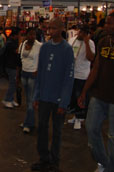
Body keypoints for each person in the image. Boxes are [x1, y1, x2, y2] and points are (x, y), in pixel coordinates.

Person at [78, 11, 114, 172]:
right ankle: (104, 162)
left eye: (110, 23)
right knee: (91, 129)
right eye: (106, 23)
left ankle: (112, 169)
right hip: (99, 95)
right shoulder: (103, 42)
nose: (106, 26)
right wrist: (84, 91)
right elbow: (96, 68)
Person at [31, 18, 74, 172]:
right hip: (44, 97)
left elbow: (68, 78)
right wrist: (36, 96)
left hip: (58, 99)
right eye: (48, 28)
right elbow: (40, 73)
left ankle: (54, 162)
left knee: (57, 131)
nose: (50, 31)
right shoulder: (45, 47)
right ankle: (43, 158)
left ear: (62, 29)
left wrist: (64, 102)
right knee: (42, 128)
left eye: (53, 28)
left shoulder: (67, 49)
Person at [67, 25, 95, 130]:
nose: (80, 34)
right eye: (80, 31)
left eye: (84, 32)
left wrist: (87, 42)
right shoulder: (72, 40)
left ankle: (80, 118)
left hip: (82, 75)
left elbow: (91, 58)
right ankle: (76, 115)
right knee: (73, 97)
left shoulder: (90, 43)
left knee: (80, 97)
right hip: (71, 74)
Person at [18, 28, 42, 134]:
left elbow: (42, 60)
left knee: (31, 101)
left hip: (33, 74)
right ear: (26, 35)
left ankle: (28, 124)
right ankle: (29, 121)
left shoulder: (39, 46)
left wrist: (38, 70)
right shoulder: (23, 44)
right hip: (24, 73)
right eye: (30, 34)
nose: (32, 37)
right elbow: (20, 59)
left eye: (34, 35)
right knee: (27, 99)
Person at [2, 27, 21, 109]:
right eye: (19, 35)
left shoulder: (11, 41)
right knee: (12, 84)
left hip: (12, 65)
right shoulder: (10, 43)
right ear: (15, 35)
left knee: (13, 83)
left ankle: (11, 99)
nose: (20, 36)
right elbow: (18, 51)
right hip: (10, 66)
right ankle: (7, 100)